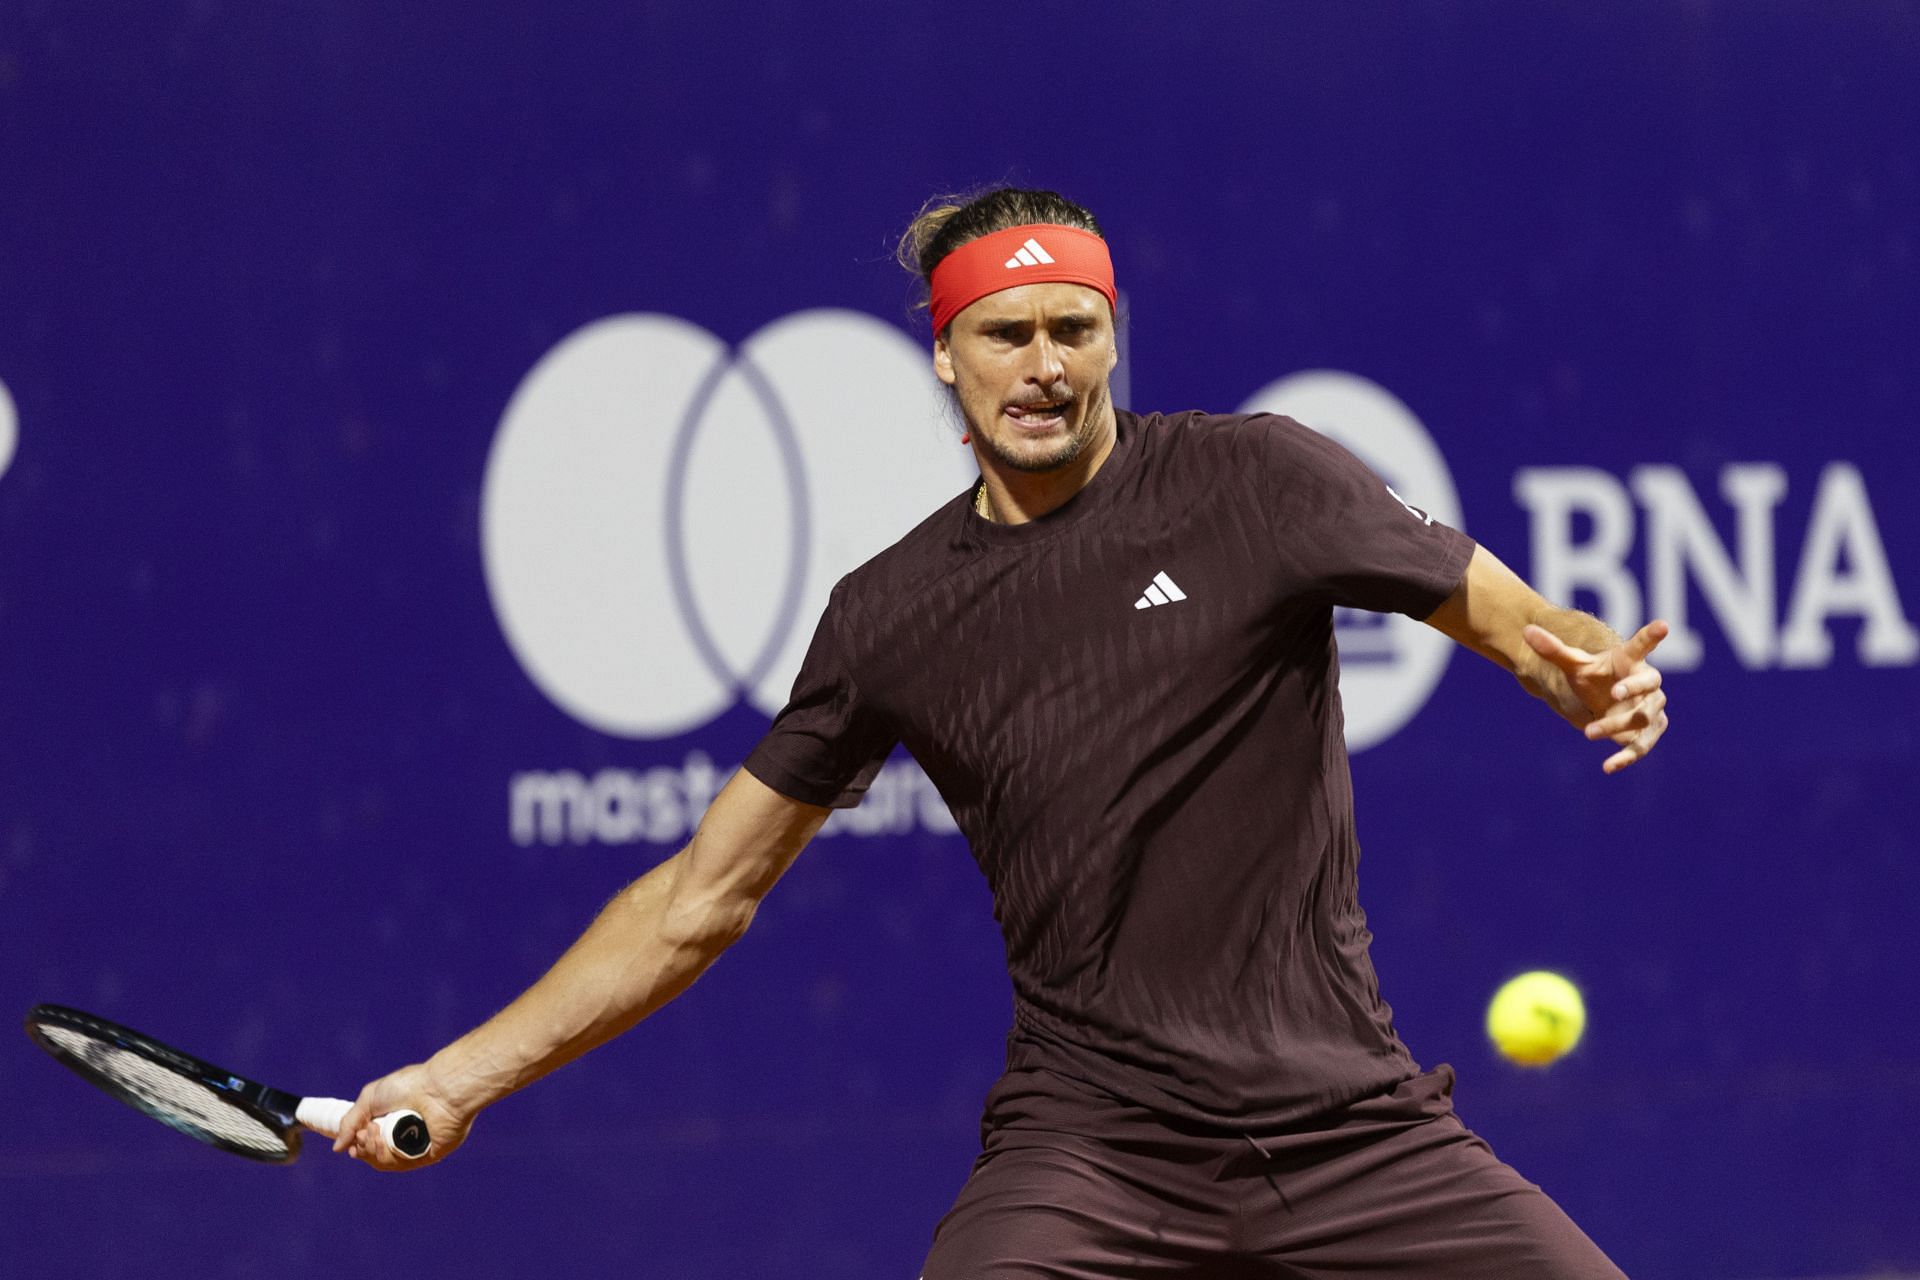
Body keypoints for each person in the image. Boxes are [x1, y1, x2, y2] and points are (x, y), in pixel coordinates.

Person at [335, 187, 1668, 1277]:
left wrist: (1594, 674)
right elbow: (701, 897)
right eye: (1008, 332)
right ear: (944, 352)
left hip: (1355, 1132)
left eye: (1075, 330)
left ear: (1112, 339)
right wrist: (458, 1080)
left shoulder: (1260, 478)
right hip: (1095, 1147)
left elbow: (1524, 626)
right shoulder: (893, 616)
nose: (1045, 366)